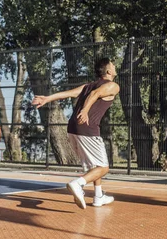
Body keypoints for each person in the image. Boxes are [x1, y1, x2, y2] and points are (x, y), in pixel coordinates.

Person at [32, 58, 119, 209]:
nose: (115, 66)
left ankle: (98, 196)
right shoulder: (112, 86)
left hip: (73, 127)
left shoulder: (87, 86)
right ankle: (78, 183)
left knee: (94, 165)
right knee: (103, 168)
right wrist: (85, 111)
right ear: (109, 71)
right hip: (87, 127)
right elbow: (95, 94)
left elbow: (68, 94)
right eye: (113, 65)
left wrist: (47, 98)